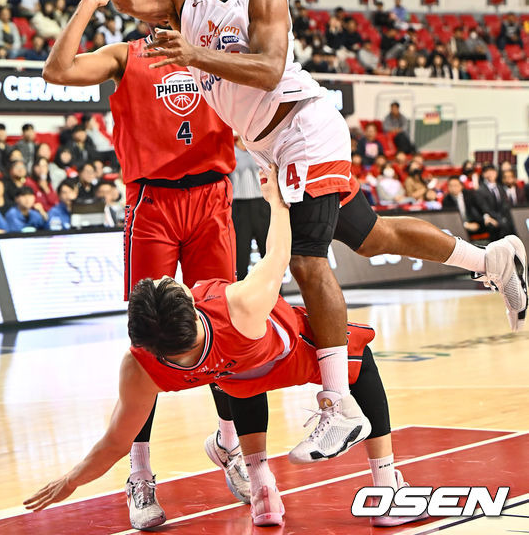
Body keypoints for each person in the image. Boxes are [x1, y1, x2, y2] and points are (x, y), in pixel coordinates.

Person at [74, 0, 528, 427]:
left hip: (302, 127)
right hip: (275, 145)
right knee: (371, 235)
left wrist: (194, 58)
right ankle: (492, 258)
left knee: (310, 261)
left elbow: (266, 70)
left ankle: (337, 405)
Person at [24, 167, 426, 529]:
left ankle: (262, 489)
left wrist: (72, 479)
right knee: (359, 357)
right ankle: (387, 486)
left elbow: (113, 443)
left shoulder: (141, 366)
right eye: (170, 282)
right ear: (186, 299)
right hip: (288, 356)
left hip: (233, 377)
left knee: (237, 382)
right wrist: (276, 202)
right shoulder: (238, 306)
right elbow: (278, 253)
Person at [42, 0, 260, 530]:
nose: (161, 5)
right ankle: (139, 474)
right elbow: (58, 70)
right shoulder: (124, 55)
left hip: (213, 197)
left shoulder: (214, 51)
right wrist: (88, 1)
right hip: (154, 204)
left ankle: (230, 443)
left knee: (228, 330)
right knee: (148, 340)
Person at [230, 135, 270, 281]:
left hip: (262, 205)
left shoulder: (259, 149)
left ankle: (276, 296)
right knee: (241, 256)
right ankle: (242, 298)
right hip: (240, 208)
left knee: (268, 254)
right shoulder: (231, 151)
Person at [474, 164, 516, 241]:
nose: (490, 174)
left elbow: (505, 205)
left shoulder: (500, 188)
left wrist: (503, 218)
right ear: (483, 175)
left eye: (492, 171)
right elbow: (485, 208)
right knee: (499, 226)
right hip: (490, 218)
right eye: (487, 172)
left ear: (496, 173)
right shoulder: (480, 191)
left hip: (502, 218)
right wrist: (499, 219)